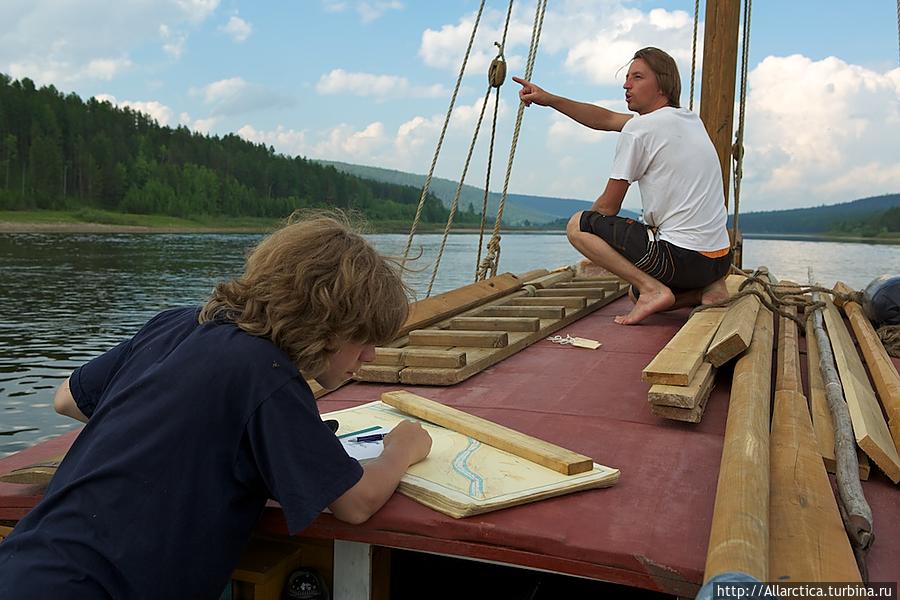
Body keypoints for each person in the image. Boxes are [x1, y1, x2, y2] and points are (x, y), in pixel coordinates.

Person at [0, 211, 433, 599]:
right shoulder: (268, 377)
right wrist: (403, 447)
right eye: (364, 336)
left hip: (25, 563)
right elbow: (355, 503)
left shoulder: (179, 322)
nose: (372, 354)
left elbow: (66, 399)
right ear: (326, 322)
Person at [514, 47, 732, 325]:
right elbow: (605, 119)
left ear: (663, 84)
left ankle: (654, 290)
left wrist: (593, 240)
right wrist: (550, 99)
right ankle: (708, 289)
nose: (626, 84)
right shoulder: (689, 119)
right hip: (718, 261)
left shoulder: (639, 130)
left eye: (637, 77)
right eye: (627, 77)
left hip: (680, 260)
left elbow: (607, 208)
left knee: (577, 224)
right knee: (633, 292)